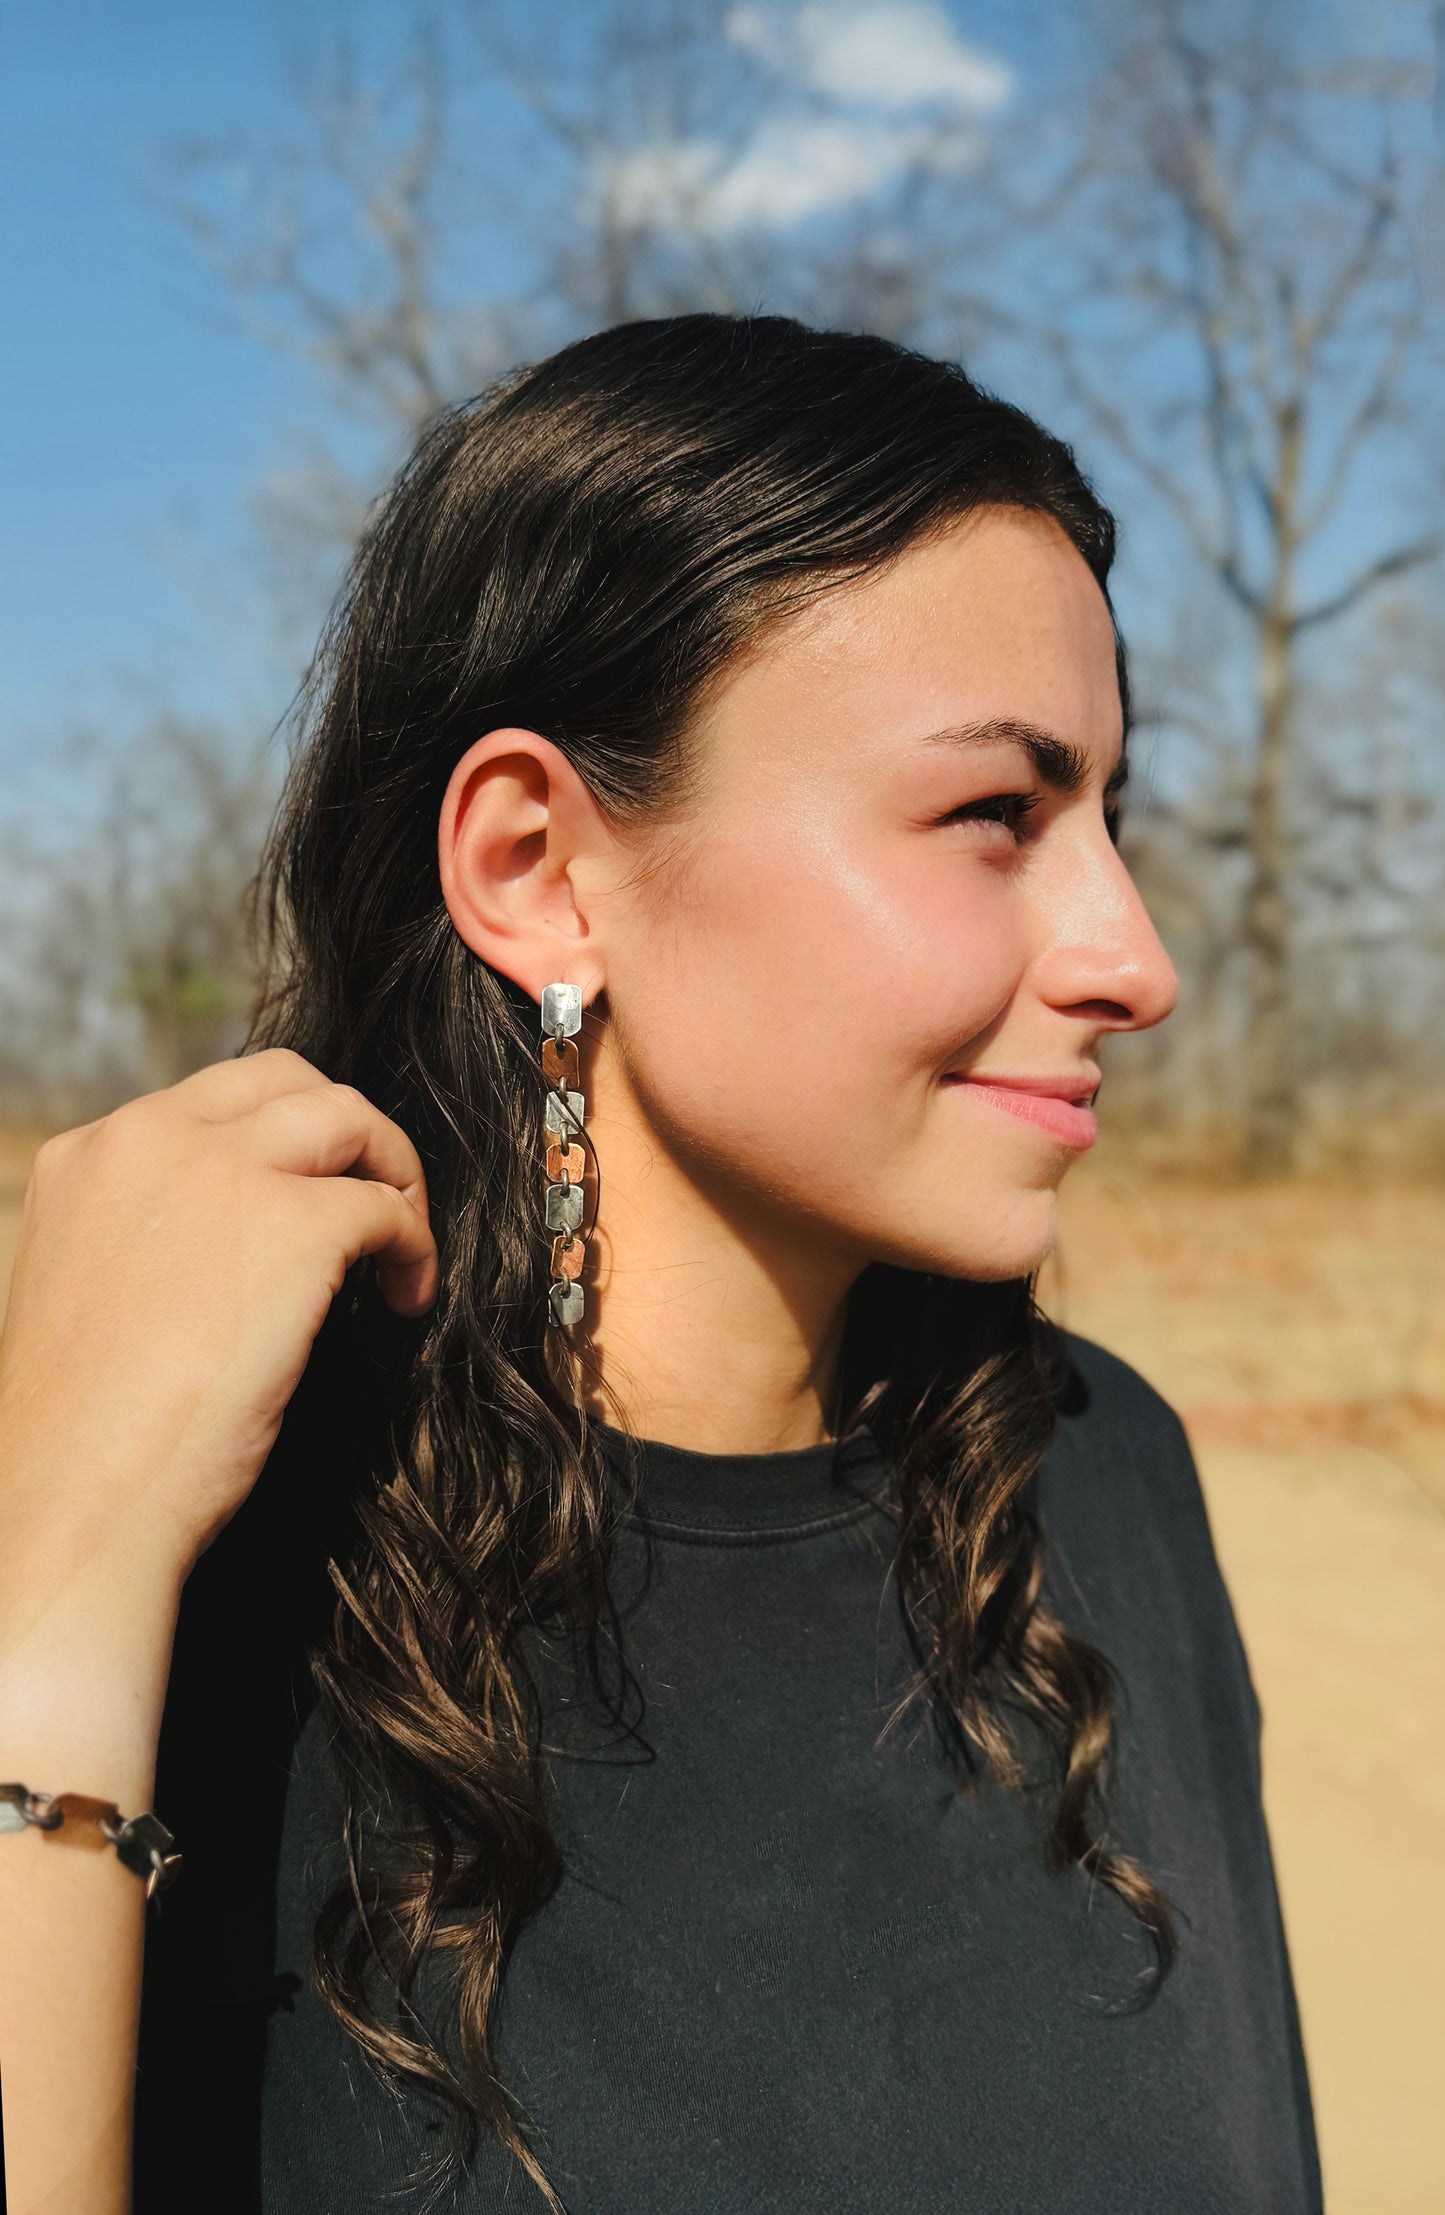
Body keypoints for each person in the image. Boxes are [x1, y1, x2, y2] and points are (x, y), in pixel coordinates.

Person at [0, 314, 1322, 2215]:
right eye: (991, 817)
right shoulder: (197, 1574)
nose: (1133, 958)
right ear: (538, 867)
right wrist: (55, 1615)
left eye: (1107, 817)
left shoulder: (1102, 1480)